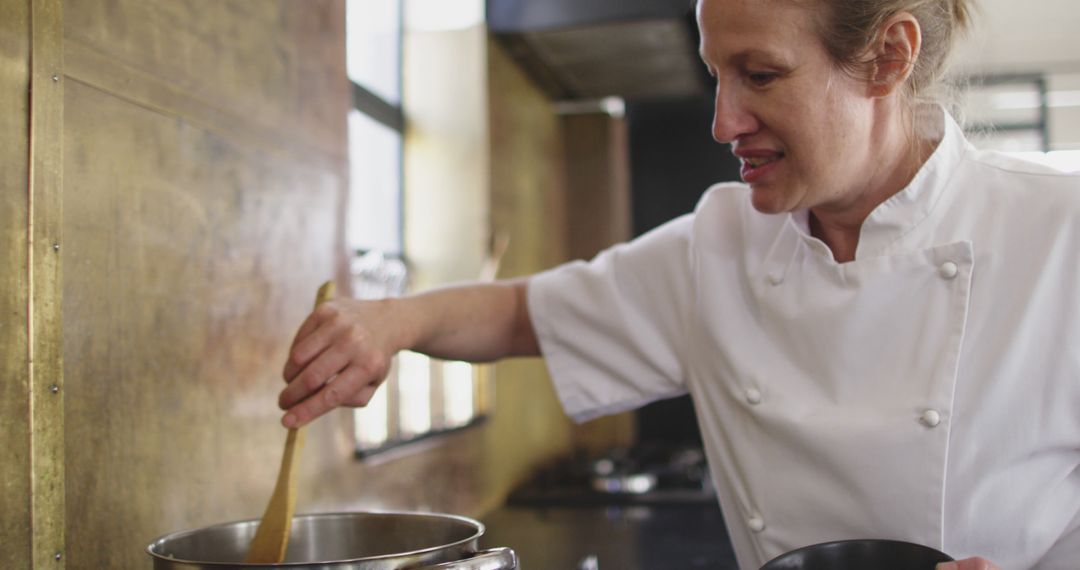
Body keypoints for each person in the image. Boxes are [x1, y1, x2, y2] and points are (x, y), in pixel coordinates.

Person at [278, 0, 1080, 568]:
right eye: (717, 74)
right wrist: (390, 321)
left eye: (761, 74)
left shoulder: (1058, 232)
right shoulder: (722, 243)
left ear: (888, 58)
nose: (723, 122)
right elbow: (525, 314)